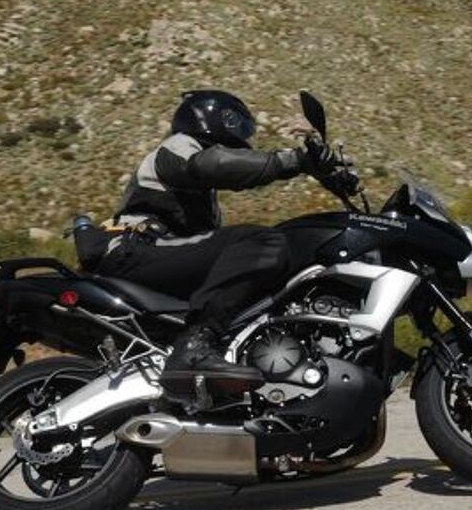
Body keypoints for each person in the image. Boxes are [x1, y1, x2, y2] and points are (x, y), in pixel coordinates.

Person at [83, 89, 338, 405]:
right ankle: (194, 346)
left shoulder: (203, 197)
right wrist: (293, 160)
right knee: (261, 242)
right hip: (136, 250)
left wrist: (333, 174)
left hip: (157, 254)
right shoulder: (179, 146)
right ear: (216, 117)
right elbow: (213, 164)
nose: (244, 134)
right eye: (239, 124)